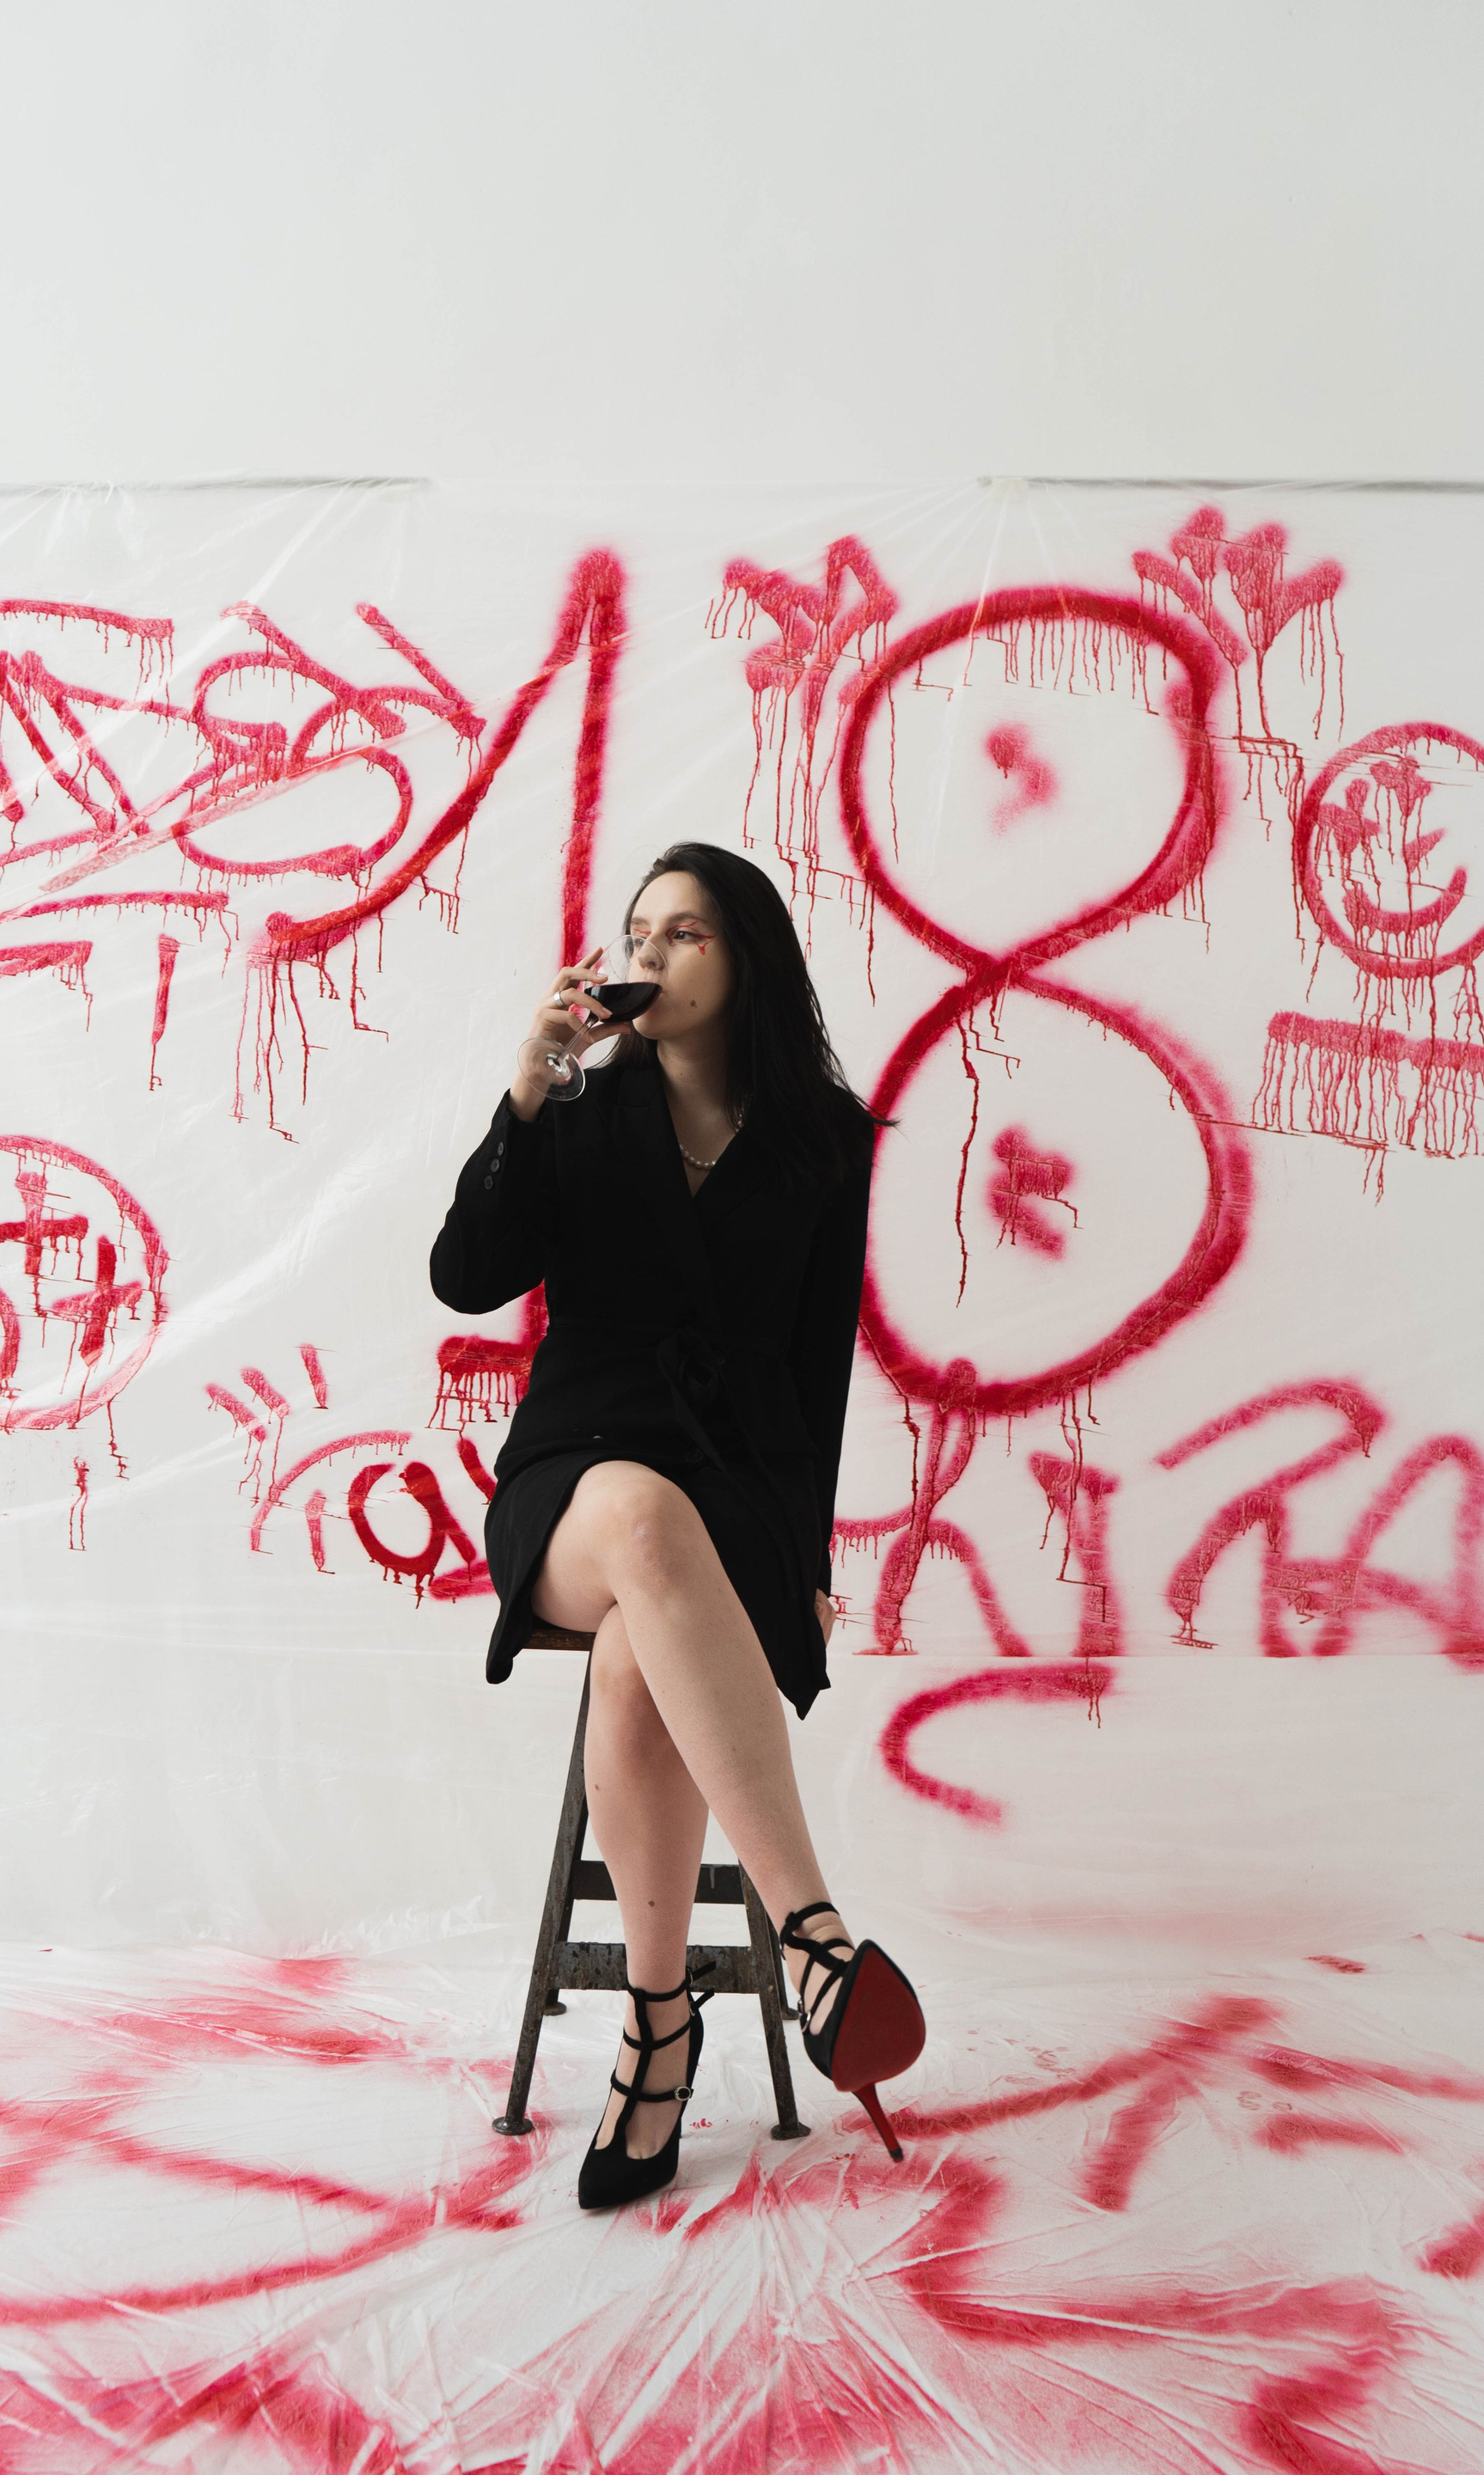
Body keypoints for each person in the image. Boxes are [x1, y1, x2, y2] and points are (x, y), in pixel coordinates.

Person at [430, 841, 925, 2209]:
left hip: (740, 1491)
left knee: (647, 1647)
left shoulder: (824, 1140)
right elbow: (466, 1278)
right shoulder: (580, 1108)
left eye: (684, 932)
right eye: (635, 932)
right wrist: (527, 1092)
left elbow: (817, 1371)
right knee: (645, 1527)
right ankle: (813, 1931)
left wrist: (809, 1564)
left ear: (746, 958)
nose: (647, 954)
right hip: (577, 1478)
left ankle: (659, 2037)